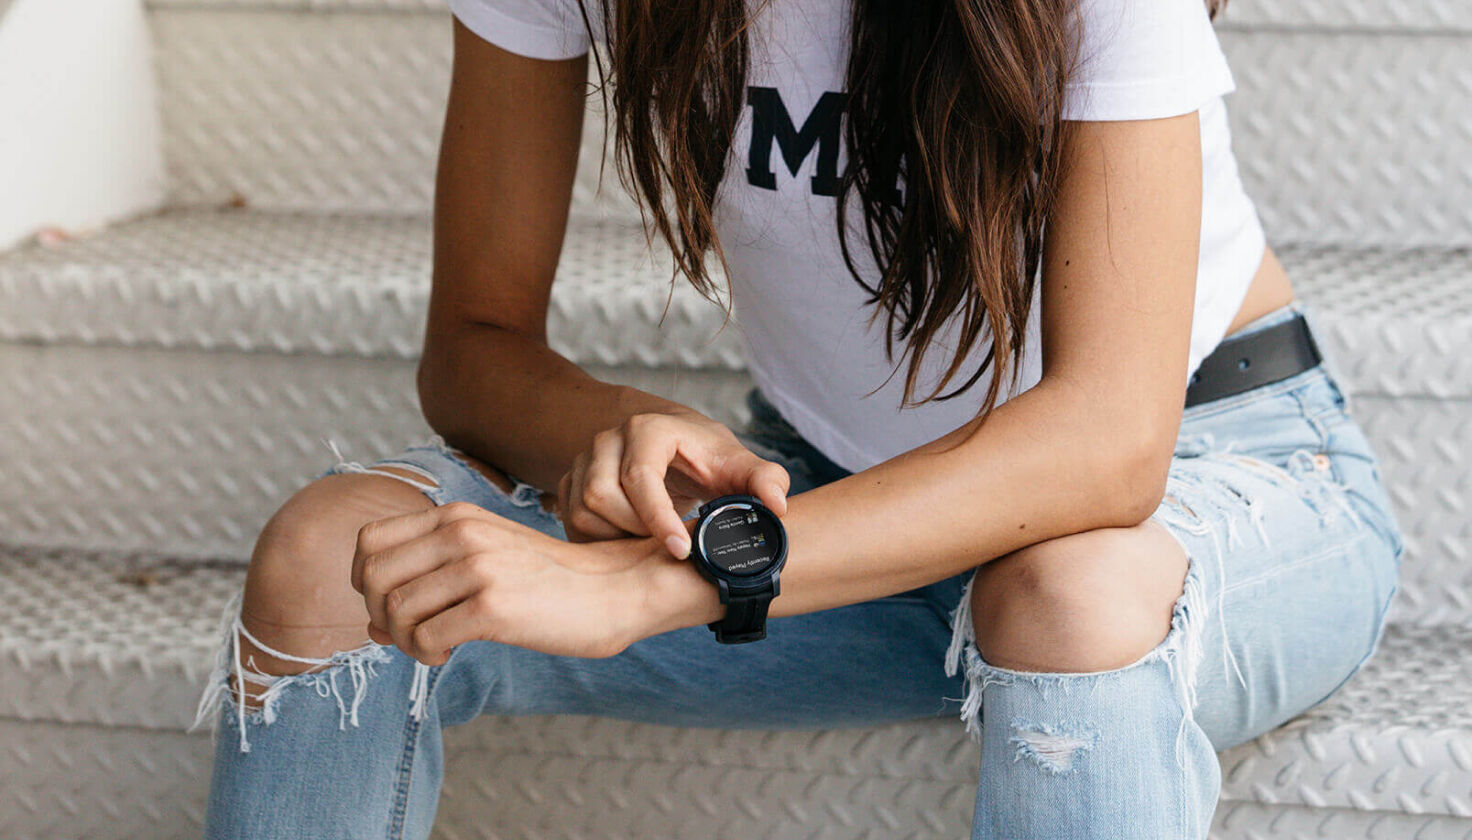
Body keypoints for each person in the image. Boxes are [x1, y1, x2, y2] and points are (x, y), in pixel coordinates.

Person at [193, 0, 1405, 836]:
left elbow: (1105, 446)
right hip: (832, 496)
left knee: (1064, 593)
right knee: (332, 560)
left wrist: (658, 583)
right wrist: (614, 429)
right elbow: (472, 343)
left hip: (1204, 472)